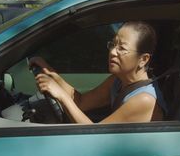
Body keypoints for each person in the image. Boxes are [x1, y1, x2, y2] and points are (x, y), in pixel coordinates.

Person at [30, 21, 167, 124]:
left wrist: (61, 96)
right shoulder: (117, 81)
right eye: (113, 45)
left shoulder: (144, 100)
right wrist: (51, 73)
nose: (112, 52)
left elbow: (95, 135)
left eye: (122, 48)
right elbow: (81, 102)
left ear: (143, 59)